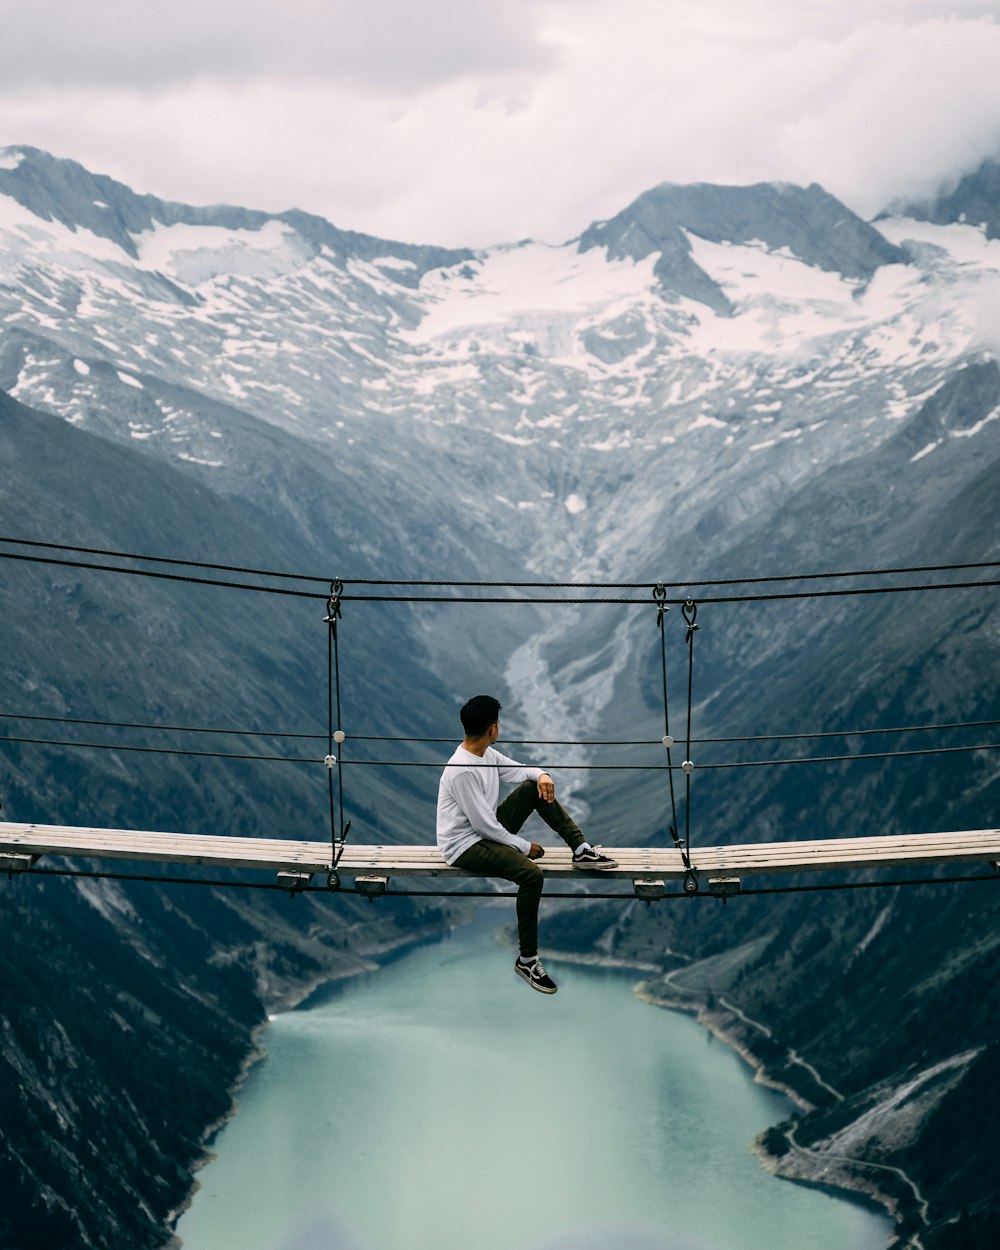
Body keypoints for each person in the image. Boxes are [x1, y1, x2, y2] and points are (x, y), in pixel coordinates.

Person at [436, 694, 617, 994]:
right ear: (493, 728)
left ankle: (580, 849)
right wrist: (523, 846)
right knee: (532, 875)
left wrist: (542, 774)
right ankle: (527, 960)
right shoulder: (463, 770)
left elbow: (522, 771)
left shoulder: (486, 755)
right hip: (464, 846)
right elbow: (483, 825)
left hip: (483, 832)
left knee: (534, 788)